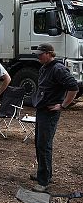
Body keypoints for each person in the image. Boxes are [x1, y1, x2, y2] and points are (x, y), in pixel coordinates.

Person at [31, 43, 78, 192]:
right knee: (39, 143)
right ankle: (44, 174)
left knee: (44, 145)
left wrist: (63, 105)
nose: (38, 56)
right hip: (42, 110)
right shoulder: (45, 67)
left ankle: (43, 181)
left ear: (50, 53)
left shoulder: (58, 69)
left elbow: (73, 87)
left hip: (50, 112)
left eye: (41, 54)